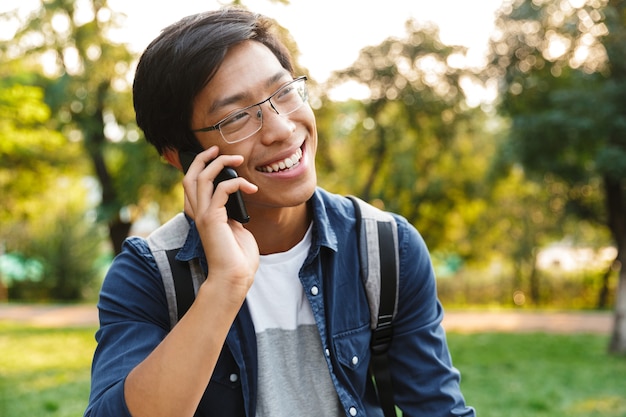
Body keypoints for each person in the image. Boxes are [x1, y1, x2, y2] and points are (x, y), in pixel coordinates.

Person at [84, 7, 475, 417]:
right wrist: (225, 285)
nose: (282, 130)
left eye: (285, 93)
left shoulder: (387, 248)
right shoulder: (148, 274)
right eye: (236, 118)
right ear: (181, 157)